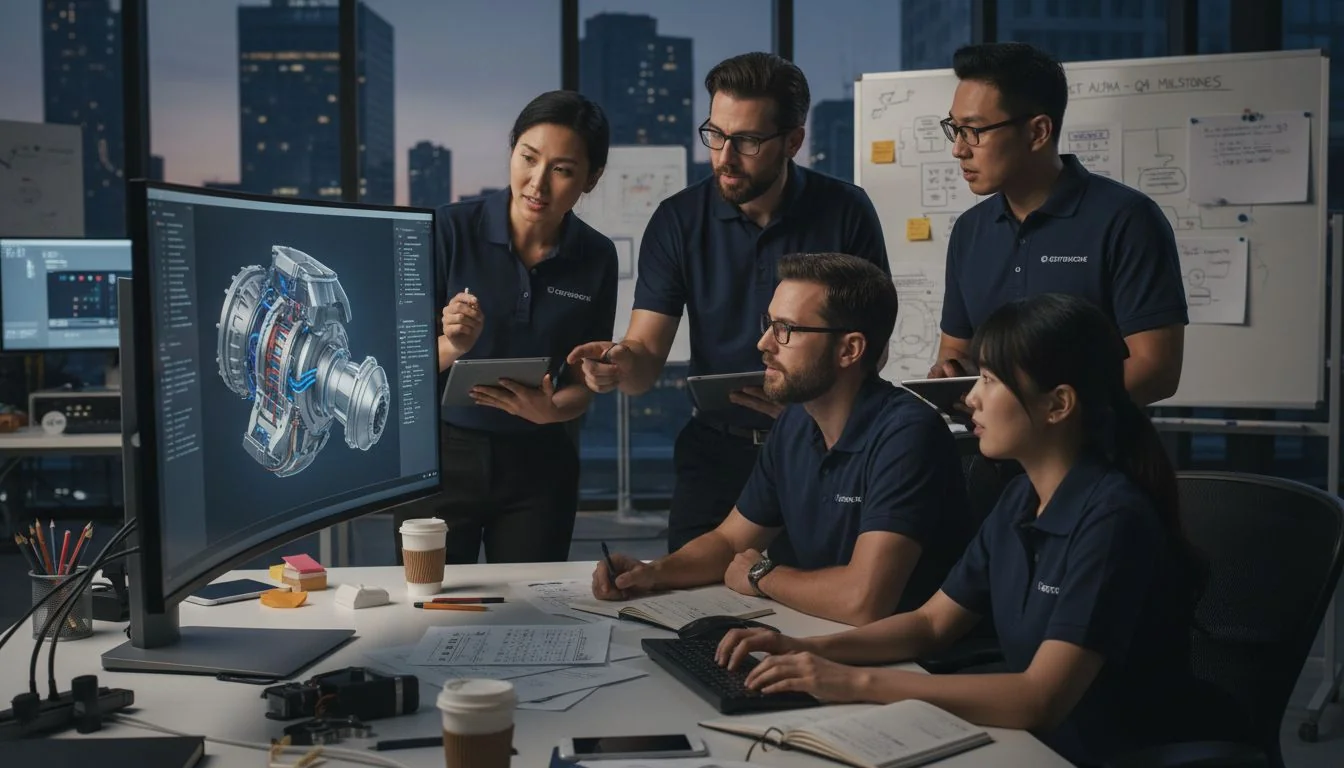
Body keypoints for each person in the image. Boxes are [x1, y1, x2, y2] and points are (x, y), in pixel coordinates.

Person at [715, 293, 1223, 767]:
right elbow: (931, 625)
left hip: (1102, 753)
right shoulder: (1023, 499)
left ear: (1058, 404)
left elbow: (1038, 699)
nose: (971, 399)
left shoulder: (1112, 519)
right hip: (1027, 744)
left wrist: (854, 682)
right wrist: (803, 650)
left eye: (991, 381)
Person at [569, 52, 890, 554]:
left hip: (825, 449)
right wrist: (617, 365)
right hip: (716, 455)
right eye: (716, 134)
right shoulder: (678, 220)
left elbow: (872, 350)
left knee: (817, 610)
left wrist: (806, 405)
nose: (724, 156)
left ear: (793, 141)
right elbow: (644, 359)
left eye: (746, 141)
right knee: (684, 610)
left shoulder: (846, 211)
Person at [591, 254, 970, 626]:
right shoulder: (796, 423)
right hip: (816, 634)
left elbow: (863, 600)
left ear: (849, 350)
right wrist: (651, 572)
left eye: (786, 329)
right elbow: (728, 542)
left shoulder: (907, 434)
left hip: (908, 668)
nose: (764, 344)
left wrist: (761, 574)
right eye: (769, 324)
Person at [394, 90, 617, 565]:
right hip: (437, 458)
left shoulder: (597, 257)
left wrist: (552, 410)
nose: (538, 183)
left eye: (562, 169)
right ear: (512, 150)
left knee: (530, 612)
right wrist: (452, 345)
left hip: (541, 464)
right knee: (426, 608)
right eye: (528, 158)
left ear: (590, 179)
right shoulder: (447, 230)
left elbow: (581, 384)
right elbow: (396, 369)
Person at [929, 42, 1187, 407]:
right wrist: (950, 372)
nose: (958, 149)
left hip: (1098, 455)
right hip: (990, 455)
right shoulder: (970, 230)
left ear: (1038, 132)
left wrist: (1044, 415)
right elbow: (957, 349)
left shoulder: (1126, 219)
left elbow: (1155, 368)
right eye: (954, 128)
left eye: (974, 130)